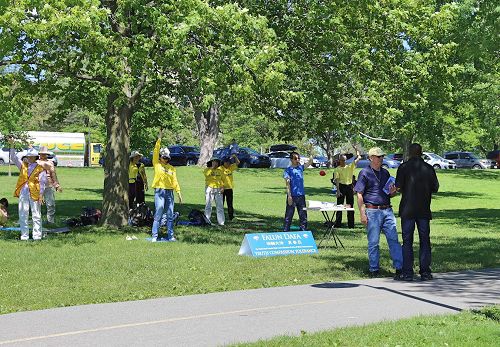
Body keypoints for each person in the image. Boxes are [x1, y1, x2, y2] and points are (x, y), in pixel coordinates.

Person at [354, 147, 403, 278]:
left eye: (382, 156)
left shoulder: (385, 173)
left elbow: (389, 193)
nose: (381, 159)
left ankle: (400, 268)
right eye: (378, 156)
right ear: (371, 158)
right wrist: (362, 213)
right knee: (374, 242)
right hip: (372, 211)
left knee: (394, 239)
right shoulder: (364, 173)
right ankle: (374, 269)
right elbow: (359, 194)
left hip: (387, 209)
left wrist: (393, 193)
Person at [395, 143, 439, 281]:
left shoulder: (403, 168)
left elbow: (398, 186)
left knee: (407, 241)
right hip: (423, 209)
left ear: (409, 153)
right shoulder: (429, 168)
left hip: (408, 209)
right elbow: (435, 187)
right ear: (421, 153)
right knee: (425, 240)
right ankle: (425, 271)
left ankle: (408, 272)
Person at [151, 129, 182, 242]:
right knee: (159, 211)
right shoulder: (156, 164)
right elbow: (155, 151)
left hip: (169, 192)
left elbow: (175, 181)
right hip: (159, 191)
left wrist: (178, 192)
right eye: (163, 157)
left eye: (167, 157)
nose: (165, 159)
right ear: (160, 157)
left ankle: (170, 236)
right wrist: (159, 139)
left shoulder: (172, 168)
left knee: (170, 214)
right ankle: (154, 236)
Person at [9, 146, 47, 241]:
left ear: (35, 157)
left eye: (32, 156)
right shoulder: (23, 165)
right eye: (28, 156)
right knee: (23, 213)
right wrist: (12, 145)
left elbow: (42, 182)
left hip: (35, 193)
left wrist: (41, 195)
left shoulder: (40, 168)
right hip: (24, 192)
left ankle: (37, 236)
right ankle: (24, 236)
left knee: (36, 214)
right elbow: (13, 157)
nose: (29, 158)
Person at [283, 151, 314, 231]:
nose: (298, 160)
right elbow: (287, 184)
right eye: (295, 158)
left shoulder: (300, 168)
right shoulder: (288, 170)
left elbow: (310, 162)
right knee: (289, 216)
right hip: (292, 196)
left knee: (303, 216)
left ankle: (303, 232)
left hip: (301, 196)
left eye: (298, 158)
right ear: (291, 159)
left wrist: (311, 152)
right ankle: (286, 232)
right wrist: (289, 196)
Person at [333, 148, 361, 228]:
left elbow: (358, 158)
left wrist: (357, 150)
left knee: (350, 206)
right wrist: (338, 191)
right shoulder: (337, 169)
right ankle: (338, 223)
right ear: (339, 160)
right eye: (342, 160)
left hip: (349, 187)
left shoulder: (350, 167)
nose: (343, 162)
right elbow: (337, 180)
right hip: (341, 187)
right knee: (339, 206)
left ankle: (351, 225)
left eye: (344, 160)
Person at [37, 146, 62, 224]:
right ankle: (38, 221)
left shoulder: (50, 163)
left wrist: (57, 185)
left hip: (49, 186)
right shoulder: (36, 162)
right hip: (38, 186)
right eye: (42, 154)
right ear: (39, 154)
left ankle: (50, 221)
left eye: (45, 154)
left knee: (51, 204)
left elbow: (53, 174)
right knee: (37, 205)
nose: (44, 155)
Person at [204, 157, 225, 225]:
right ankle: (207, 221)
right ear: (211, 162)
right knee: (208, 205)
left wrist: (222, 187)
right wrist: (212, 168)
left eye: (216, 161)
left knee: (220, 206)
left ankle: (221, 222)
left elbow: (222, 180)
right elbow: (206, 175)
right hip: (209, 188)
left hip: (218, 189)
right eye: (213, 161)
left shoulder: (220, 171)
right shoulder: (207, 170)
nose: (215, 163)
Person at [221, 154, 240, 221]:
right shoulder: (220, 169)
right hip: (222, 189)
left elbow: (238, 163)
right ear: (224, 162)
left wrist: (235, 157)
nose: (229, 163)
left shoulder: (230, 167)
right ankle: (221, 217)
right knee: (221, 204)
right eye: (227, 162)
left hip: (229, 189)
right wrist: (221, 186)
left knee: (230, 204)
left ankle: (231, 217)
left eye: (229, 162)